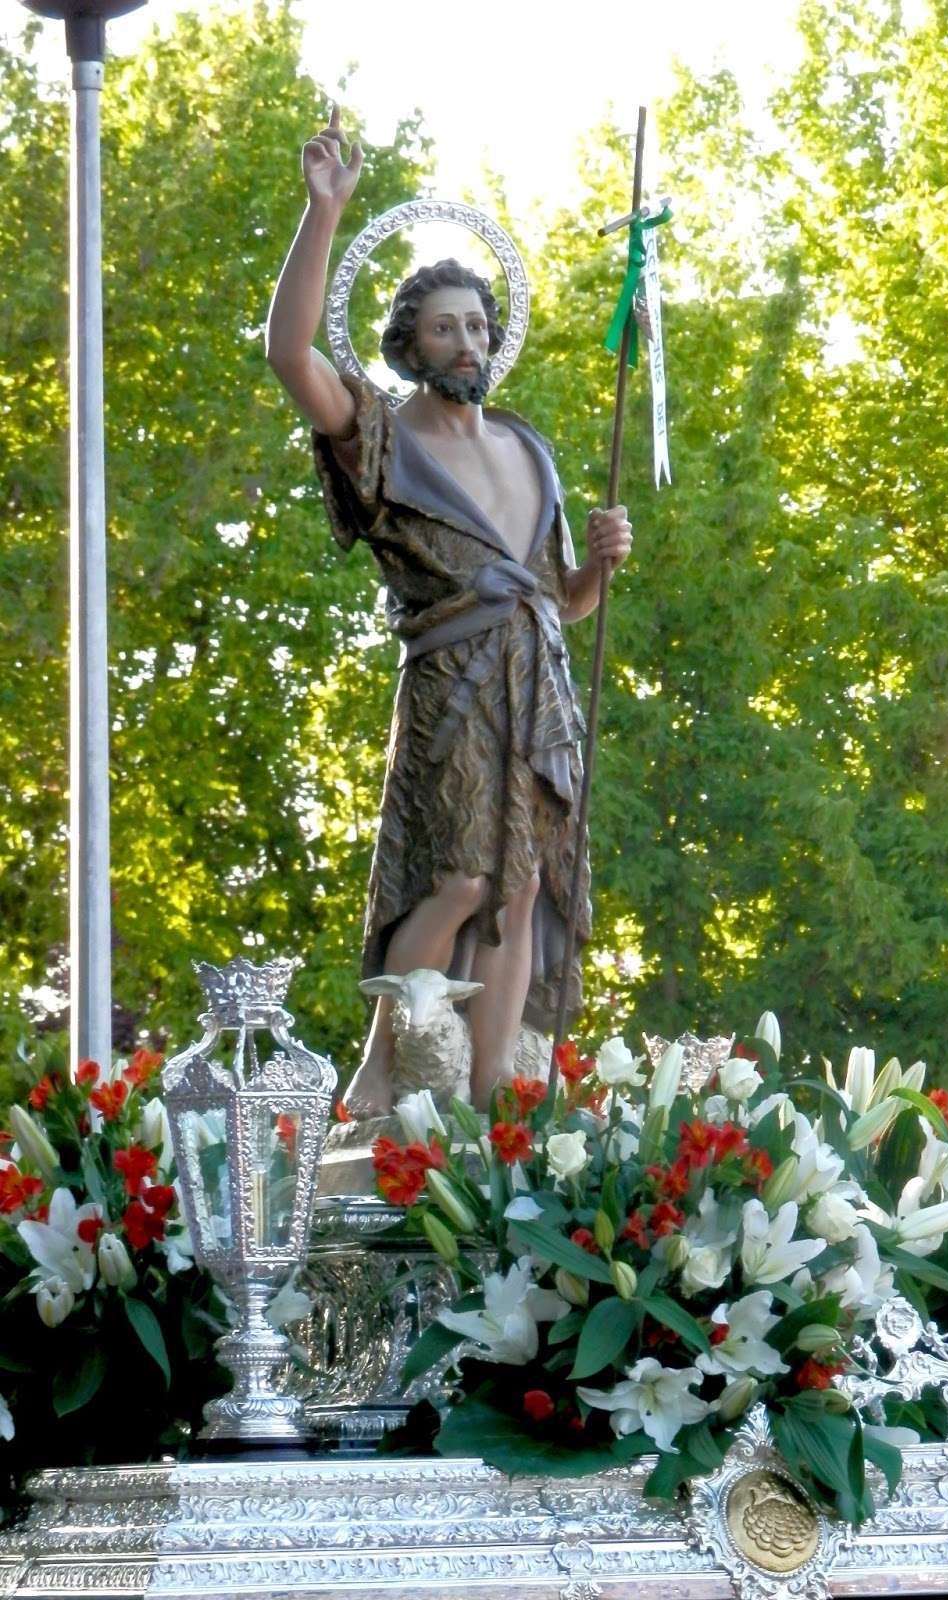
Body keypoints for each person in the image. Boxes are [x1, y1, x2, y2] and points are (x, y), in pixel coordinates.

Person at [265, 107, 632, 1115]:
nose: (466, 339)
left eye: (477, 322)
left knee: (523, 896)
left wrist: (597, 568)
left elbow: (556, 604)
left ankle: (482, 1113)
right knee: (462, 879)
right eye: (443, 325)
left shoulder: (528, 447)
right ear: (406, 343)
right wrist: (323, 213)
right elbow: (290, 353)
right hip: (453, 684)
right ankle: (390, 1073)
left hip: (540, 691)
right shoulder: (382, 436)